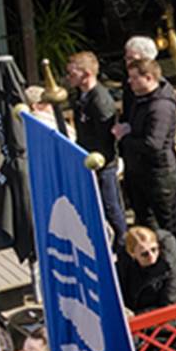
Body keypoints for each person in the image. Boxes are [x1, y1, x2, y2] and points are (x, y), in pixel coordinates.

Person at [63, 52, 126, 241]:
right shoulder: (80, 95)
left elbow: (106, 138)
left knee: (111, 206)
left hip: (102, 163)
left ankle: (123, 242)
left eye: (72, 73)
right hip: (86, 157)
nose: (68, 77)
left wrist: (101, 163)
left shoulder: (100, 100)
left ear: (87, 74)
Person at [115, 58, 176, 229]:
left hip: (158, 176)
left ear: (149, 78)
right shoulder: (140, 99)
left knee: (167, 223)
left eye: (134, 77)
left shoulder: (160, 106)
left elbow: (153, 144)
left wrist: (124, 137)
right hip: (140, 171)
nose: (129, 82)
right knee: (145, 219)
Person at [117, 224, 176, 313]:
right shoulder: (126, 265)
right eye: (144, 254)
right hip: (140, 314)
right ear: (132, 254)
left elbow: (170, 307)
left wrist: (135, 316)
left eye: (154, 249)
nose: (151, 256)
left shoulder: (172, 269)